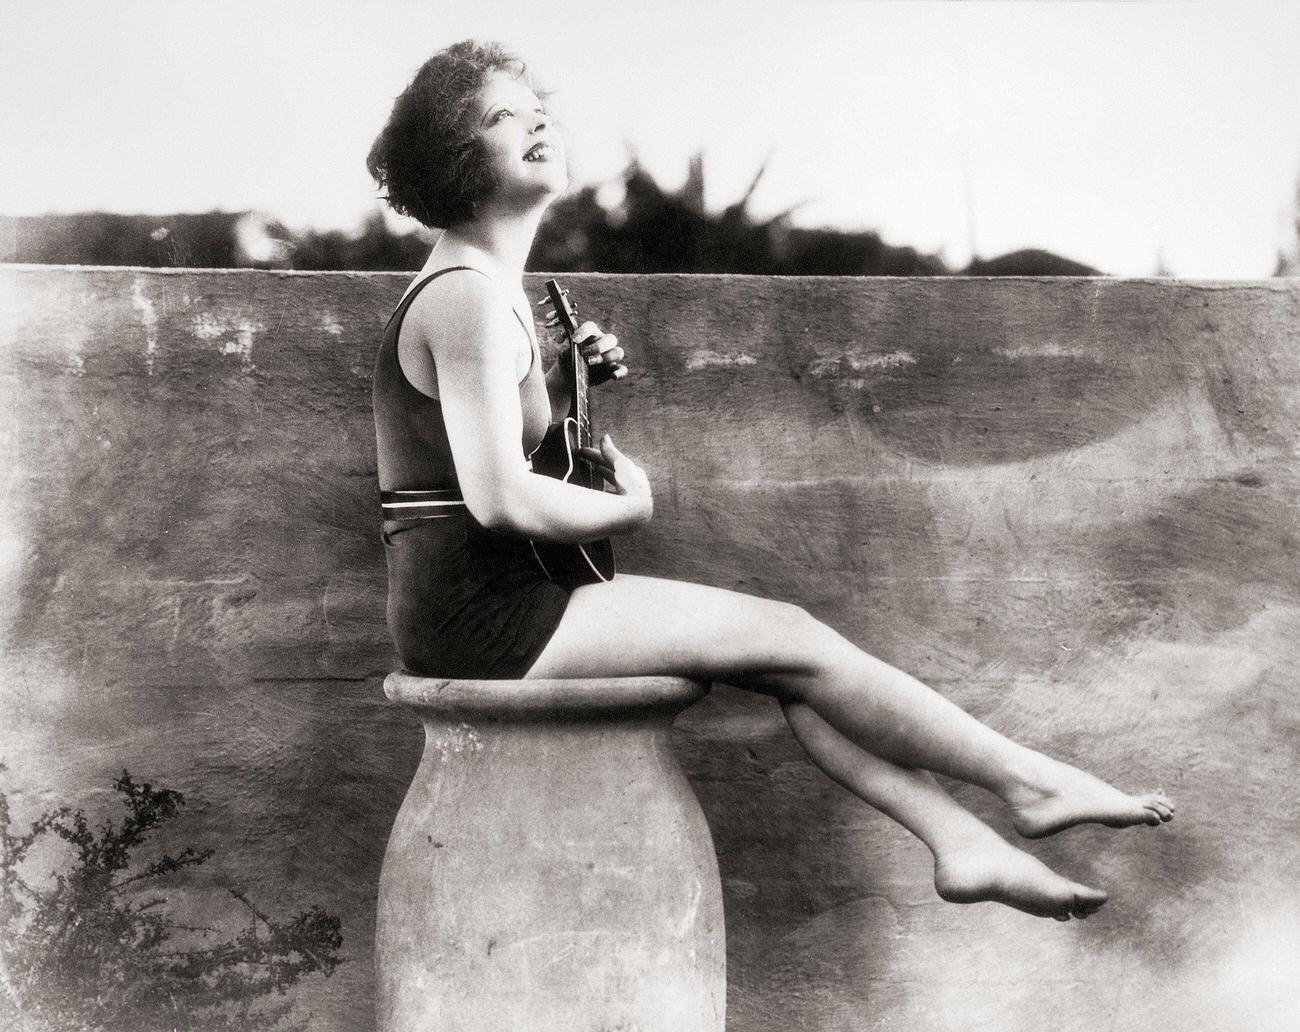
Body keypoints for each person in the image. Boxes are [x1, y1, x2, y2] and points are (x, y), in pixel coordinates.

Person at [367, 40, 1173, 922]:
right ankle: (1026, 784)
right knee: (790, 636)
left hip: (500, 597)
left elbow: (474, 447)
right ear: (453, 156)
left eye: (537, 105)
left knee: (787, 657)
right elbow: (499, 498)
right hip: (483, 617)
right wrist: (628, 508)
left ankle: (964, 840)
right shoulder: (468, 297)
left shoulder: (492, 290)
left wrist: (559, 377)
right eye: (498, 116)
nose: (536, 120)